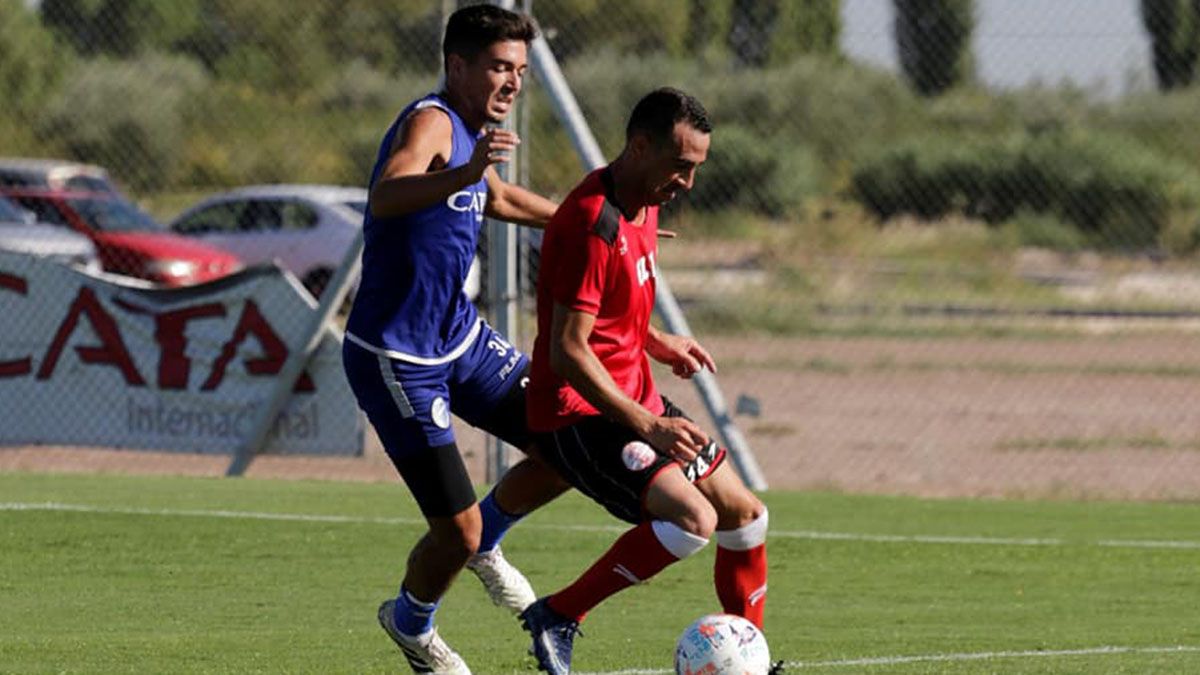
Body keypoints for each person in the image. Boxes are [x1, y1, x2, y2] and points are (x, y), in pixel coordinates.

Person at [340, 5, 569, 673]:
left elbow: (497, 199)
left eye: (521, 70)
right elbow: (387, 194)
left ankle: (487, 542)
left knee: (568, 441)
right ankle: (412, 624)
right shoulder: (433, 121)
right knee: (455, 528)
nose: (513, 82)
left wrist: (594, 221)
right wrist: (463, 175)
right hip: (397, 357)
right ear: (458, 64)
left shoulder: (472, 132)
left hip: (458, 339)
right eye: (500, 66)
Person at [518, 88, 770, 674]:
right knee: (693, 521)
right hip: (580, 413)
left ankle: (747, 658)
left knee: (746, 516)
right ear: (638, 147)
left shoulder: (645, 201)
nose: (687, 182)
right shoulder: (593, 222)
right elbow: (566, 351)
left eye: (696, 168)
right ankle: (558, 614)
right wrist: (649, 426)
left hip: (636, 400)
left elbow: (612, 309)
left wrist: (657, 342)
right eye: (681, 166)